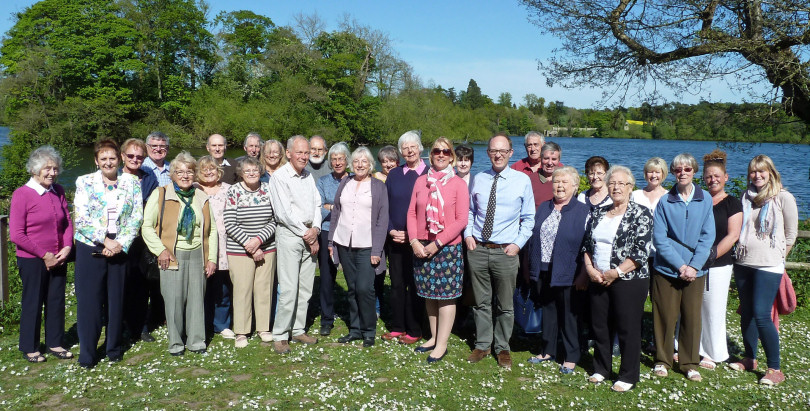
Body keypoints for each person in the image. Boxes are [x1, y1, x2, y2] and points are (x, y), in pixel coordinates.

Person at [465, 134, 535, 369]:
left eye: (502, 151)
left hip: (505, 252)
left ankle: (502, 347)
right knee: (481, 302)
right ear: (488, 153)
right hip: (479, 249)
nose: (498, 155)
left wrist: (517, 244)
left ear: (510, 153)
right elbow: (470, 211)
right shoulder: (478, 179)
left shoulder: (522, 180)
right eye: (493, 151)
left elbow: (528, 218)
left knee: (505, 304)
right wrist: (467, 235)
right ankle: (483, 344)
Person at [581, 166, 654, 392]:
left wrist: (617, 272)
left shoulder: (642, 213)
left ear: (631, 187)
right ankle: (601, 369)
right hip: (598, 278)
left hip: (629, 280)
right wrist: (591, 270)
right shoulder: (598, 212)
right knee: (600, 326)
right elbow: (586, 245)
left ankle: (628, 375)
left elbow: (641, 252)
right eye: (612, 183)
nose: (616, 187)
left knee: (627, 328)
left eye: (622, 183)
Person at [73, 139, 143, 368]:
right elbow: (81, 219)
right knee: (89, 302)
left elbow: (136, 217)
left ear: (119, 159)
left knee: (116, 299)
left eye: (112, 158)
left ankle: (113, 347)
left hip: (119, 247)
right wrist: (104, 240)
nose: (108, 162)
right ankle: (88, 353)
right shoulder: (84, 182)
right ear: (96, 161)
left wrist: (120, 243)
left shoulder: (131, 182)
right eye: (103, 158)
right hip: (90, 246)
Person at [729, 155, 798, 386]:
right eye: (753, 172)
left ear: (771, 172)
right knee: (747, 312)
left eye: (761, 171)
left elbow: (790, 234)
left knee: (761, 314)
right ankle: (750, 358)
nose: (757, 176)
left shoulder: (783, 197)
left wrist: (779, 258)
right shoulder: (746, 197)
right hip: (743, 261)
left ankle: (775, 368)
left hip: (769, 264)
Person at [142, 152, 217, 356]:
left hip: (197, 254)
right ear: (173, 174)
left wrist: (211, 258)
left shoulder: (202, 196)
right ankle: (175, 343)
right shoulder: (160, 194)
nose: (185, 175)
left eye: (189, 171)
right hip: (171, 255)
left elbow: (212, 230)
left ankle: (196, 341)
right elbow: (147, 227)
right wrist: (161, 251)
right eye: (180, 172)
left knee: (196, 300)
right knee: (173, 300)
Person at [651, 153, 715, 382]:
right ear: (673, 173)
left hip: (696, 271)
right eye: (678, 170)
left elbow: (708, 237)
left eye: (687, 169)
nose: (682, 173)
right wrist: (680, 265)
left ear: (694, 172)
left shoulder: (705, 199)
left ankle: (689, 363)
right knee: (664, 317)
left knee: (691, 317)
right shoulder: (664, 201)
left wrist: (694, 266)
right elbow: (660, 239)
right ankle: (662, 360)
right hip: (667, 270)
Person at [407, 138, 470, 362]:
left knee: (446, 297)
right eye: (436, 151)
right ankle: (433, 337)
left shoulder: (459, 184)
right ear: (431, 155)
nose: (441, 154)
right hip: (421, 246)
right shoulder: (420, 182)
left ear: (451, 156)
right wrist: (414, 241)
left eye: (445, 151)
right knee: (429, 294)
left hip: (446, 248)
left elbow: (462, 220)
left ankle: (442, 344)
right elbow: (412, 213)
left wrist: (438, 242)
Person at [10, 146, 74, 363]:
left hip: (59, 257)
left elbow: (67, 223)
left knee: (56, 300)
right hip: (32, 260)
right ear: (35, 170)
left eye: (55, 168)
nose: (52, 173)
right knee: (33, 302)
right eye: (47, 168)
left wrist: (66, 248)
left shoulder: (59, 191)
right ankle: (30, 346)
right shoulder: (22, 194)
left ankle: (55, 342)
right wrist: (44, 254)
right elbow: (16, 234)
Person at [526, 166, 589, 374]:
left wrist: (582, 274)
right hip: (543, 269)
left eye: (564, 182)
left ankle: (571, 356)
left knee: (569, 316)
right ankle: (547, 350)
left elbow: (587, 247)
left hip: (569, 272)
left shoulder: (583, 211)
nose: (559, 186)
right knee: (548, 311)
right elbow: (533, 237)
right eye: (556, 182)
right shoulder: (544, 207)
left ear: (575, 186)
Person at [329, 147, 389, 348]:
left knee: (365, 288)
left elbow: (382, 220)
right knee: (352, 288)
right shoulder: (345, 183)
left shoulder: (378, 187)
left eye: (364, 161)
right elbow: (336, 212)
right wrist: (331, 242)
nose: (360, 165)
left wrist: (376, 250)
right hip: (345, 243)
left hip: (367, 245)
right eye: (356, 161)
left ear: (370, 164)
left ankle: (369, 330)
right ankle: (355, 330)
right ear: (351, 164)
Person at [269, 135, 322, 353]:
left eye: (306, 152)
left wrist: (316, 230)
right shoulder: (280, 177)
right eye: (299, 152)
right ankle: (280, 334)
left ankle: (298, 329)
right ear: (288, 153)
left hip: (310, 234)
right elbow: (283, 213)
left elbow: (317, 204)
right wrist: (307, 234)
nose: (303, 156)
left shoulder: (308, 176)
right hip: (291, 235)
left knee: (306, 287)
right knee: (289, 288)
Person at [224, 157, 277, 348]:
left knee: (264, 288)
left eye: (255, 170)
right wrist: (250, 244)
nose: (252, 173)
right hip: (239, 250)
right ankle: (241, 331)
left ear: (260, 171)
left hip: (267, 247)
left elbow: (274, 219)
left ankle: (263, 328)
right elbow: (230, 223)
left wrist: (259, 241)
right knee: (242, 290)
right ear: (240, 173)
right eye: (247, 171)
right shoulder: (234, 191)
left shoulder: (268, 189)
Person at [698, 150, 742, 370]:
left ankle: (712, 352)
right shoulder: (699, 199)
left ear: (726, 177)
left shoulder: (732, 203)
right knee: (693, 307)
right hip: (695, 263)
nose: (712, 180)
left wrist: (712, 254)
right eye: (708, 176)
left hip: (719, 264)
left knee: (713, 308)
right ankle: (691, 347)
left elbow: (733, 235)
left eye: (716, 176)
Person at [383, 130, 428, 344]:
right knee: (397, 284)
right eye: (405, 148)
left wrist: (412, 235)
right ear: (400, 152)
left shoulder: (428, 174)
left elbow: (431, 211)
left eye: (413, 146)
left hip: (418, 240)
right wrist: (391, 230)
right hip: (395, 239)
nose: (409, 150)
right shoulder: (393, 175)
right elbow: (385, 207)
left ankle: (415, 329)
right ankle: (397, 326)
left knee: (415, 285)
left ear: (420, 148)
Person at [120, 138, 161, 343]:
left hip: (141, 238)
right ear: (122, 156)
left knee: (142, 283)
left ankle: (141, 326)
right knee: (121, 283)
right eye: (131, 156)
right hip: (118, 240)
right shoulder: (114, 177)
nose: (135, 159)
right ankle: (120, 325)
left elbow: (152, 205)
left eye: (139, 156)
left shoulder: (148, 177)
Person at [196, 155, 235, 340]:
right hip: (200, 245)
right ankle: (202, 323)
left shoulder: (229, 190)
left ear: (219, 171)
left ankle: (222, 323)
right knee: (201, 287)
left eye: (212, 168)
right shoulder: (193, 190)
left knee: (222, 287)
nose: (209, 172)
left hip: (225, 245)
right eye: (204, 169)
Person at [316, 142, 351, 336]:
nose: (337, 162)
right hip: (327, 231)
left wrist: (331, 206)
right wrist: (336, 208)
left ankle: (355, 316)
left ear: (347, 160)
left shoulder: (355, 179)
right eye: (334, 159)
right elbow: (318, 207)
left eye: (341, 158)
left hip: (349, 233)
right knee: (327, 277)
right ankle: (326, 318)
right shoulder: (322, 181)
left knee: (351, 276)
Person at [510, 131, 550, 207]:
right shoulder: (515, 168)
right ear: (525, 147)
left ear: (543, 145)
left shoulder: (554, 167)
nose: (533, 149)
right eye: (529, 145)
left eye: (536, 145)